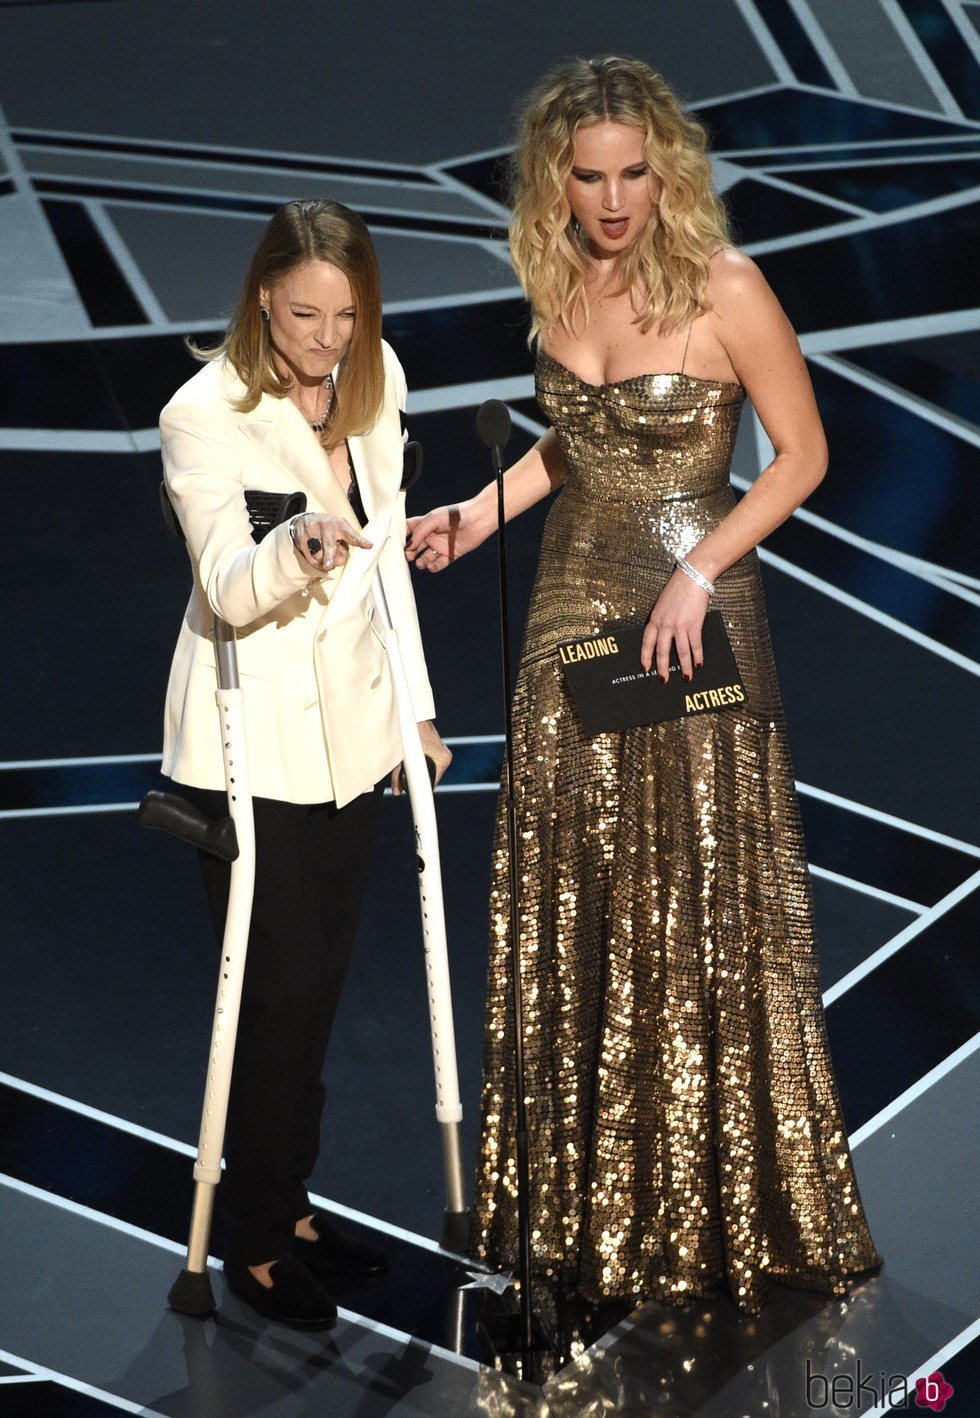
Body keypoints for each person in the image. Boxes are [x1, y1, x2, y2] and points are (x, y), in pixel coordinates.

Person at [406, 57, 880, 1315]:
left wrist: (697, 568)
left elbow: (803, 453)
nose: (613, 201)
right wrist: (477, 510)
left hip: (691, 615)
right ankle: (587, 1200)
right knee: (581, 882)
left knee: (694, 887)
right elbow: (579, 441)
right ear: (553, 180)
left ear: (662, 169)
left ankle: (710, 1197)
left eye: (631, 174)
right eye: (588, 177)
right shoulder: (556, 277)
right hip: (570, 604)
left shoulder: (725, 284)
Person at [160, 198, 450, 1328]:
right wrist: (294, 544)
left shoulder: (373, 379)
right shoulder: (205, 416)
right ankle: (254, 1240)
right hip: (255, 750)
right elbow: (229, 587)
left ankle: (287, 1201)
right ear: (259, 298)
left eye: (345, 312)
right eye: (301, 314)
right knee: (273, 1001)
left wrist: (415, 714)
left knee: (317, 992)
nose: (326, 338)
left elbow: (385, 570)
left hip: (355, 739)